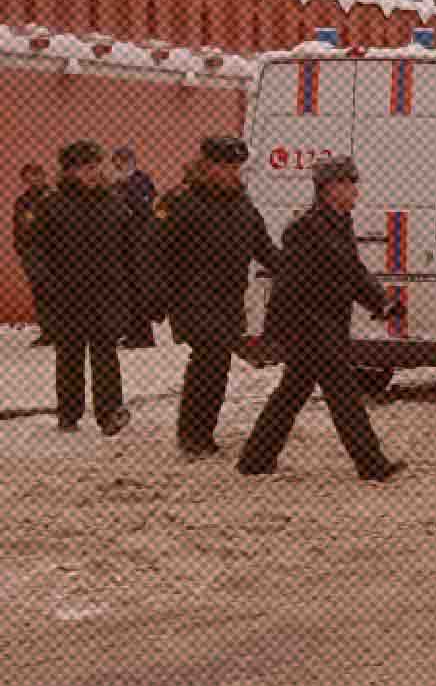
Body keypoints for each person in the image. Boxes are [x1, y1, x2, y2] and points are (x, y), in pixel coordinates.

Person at [237, 156, 407, 482]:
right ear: (331, 188)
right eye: (350, 183)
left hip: (324, 324)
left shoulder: (338, 222)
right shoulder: (306, 228)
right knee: (343, 396)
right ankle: (372, 465)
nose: (356, 190)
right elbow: (290, 283)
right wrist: (287, 330)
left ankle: (255, 459)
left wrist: (382, 302)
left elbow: (352, 272)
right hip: (311, 326)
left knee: (291, 394)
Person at [157, 137, 279, 459]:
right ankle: (192, 436)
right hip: (192, 300)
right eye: (227, 167)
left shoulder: (241, 204)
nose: (234, 174)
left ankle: (201, 433)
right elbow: (154, 252)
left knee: (216, 364)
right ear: (208, 166)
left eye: (237, 167)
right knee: (209, 357)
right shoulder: (182, 203)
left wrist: (295, 270)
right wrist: (155, 300)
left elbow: (264, 248)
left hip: (227, 301)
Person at [27, 141, 147, 435]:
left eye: (96, 166)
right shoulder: (50, 205)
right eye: (85, 167)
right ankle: (69, 413)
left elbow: (130, 250)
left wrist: (136, 288)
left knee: (106, 353)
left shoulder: (114, 204)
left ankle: (109, 413)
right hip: (66, 295)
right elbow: (33, 249)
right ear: (69, 171)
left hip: (106, 294)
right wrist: (45, 283)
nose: (93, 172)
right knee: (70, 355)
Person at [113, 147, 159, 348]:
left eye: (120, 162)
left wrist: (123, 203)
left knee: (138, 290)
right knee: (127, 290)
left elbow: (143, 210)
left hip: (139, 243)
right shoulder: (120, 184)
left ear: (129, 161)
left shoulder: (141, 181)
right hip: (124, 242)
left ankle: (142, 336)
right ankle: (132, 331)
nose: (117, 167)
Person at [12, 163, 52, 346]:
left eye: (35, 175)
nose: (31, 180)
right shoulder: (23, 201)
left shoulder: (54, 197)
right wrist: (20, 247)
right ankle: (48, 331)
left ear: (43, 176)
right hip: (32, 252)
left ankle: (63, 332)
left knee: (56, 293)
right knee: (40, 292)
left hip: (52, 253)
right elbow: (18, 226)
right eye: (27, 177)